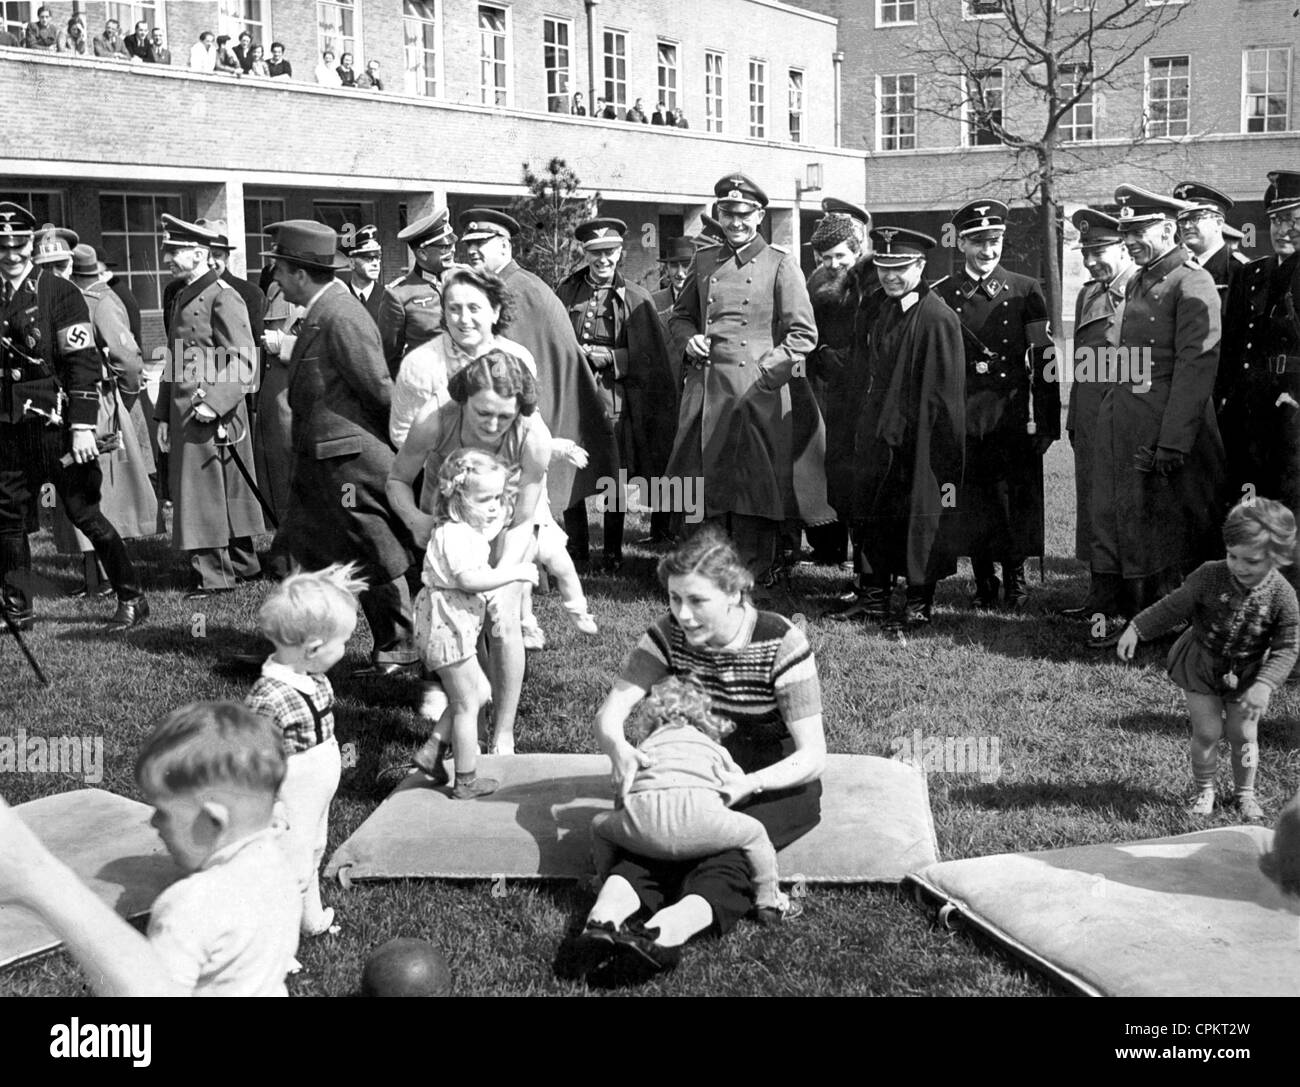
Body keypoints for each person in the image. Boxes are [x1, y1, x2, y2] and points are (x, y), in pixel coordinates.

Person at [578, 527, 826, 975]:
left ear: (735, 593)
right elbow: (609, 714)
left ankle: (657, 926)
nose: (683, 615)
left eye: (697, 601)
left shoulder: (780, 640)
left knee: (724, 842)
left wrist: (748, 783)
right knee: (664, 822)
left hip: (768, 767)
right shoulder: (666, 634)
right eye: (674, 599)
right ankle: (622, 927)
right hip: (695, 757)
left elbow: (812, 755)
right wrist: (618, 749)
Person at [0, 702, 300, 995]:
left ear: (213, 820)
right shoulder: (282, 865)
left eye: (163, 812)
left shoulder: (192, 904)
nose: (153, 822)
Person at [266, 220, 418, 677]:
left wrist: (397, 450)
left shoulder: (340, 313)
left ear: (299, 273)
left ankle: (400, 648)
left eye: (279, 270)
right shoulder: (322, 309)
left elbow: (379, 389)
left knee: (372, 550)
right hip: (319, 461)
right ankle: (293, 645)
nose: (274, 279)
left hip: (346, 462)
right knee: (298, 554)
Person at [666, 173, 830, 585]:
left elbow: (803, 333)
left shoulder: (780, 264)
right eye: (727, 213)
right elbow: (681, 316)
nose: (735, 222)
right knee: (704, 481)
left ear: (759, 215)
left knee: (753, 485)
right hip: (707, 391)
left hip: (757, 394)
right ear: (718, 215)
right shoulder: (704, 261)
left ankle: (756, 568)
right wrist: (689, 340)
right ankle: (708, 567)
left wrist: (765, 370)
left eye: (743, 214)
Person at [388, 352, 552, 754]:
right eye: (483, 413)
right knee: (465, 619)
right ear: (463, 400)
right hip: (448, 519)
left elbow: (523, 519)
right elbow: (396, 478)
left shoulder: (533, 438)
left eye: (505, 416)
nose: (494, 425)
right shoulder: (435, 418)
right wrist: (414, 519)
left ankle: (504, 735)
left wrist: (508, 573)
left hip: (506, 523)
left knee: (504, 618)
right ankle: (471, 727)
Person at [1089, 184, 1225, 646]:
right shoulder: (1140, 279)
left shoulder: (1193, 282)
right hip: (1125, 419)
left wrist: (1173, 441)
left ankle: (1160, 620)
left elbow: (1196, 368)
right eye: (1126, 230)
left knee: (1160, 526)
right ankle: (1124, 611)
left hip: (1165, 425)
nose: (1129, 240)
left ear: (1170, 230)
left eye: (1140, 230)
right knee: (1123, 516)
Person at [0, 210, 148, 632]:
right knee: (8, 519)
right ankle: (17, 607)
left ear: (30, 245)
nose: (10, 254)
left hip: (57, 425)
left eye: (18, 246)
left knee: (85, 513)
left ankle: (131, 597)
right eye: (2, 246)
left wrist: (83, 425)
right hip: (9, 427)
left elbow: (82, 364)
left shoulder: (60, 293)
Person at [1117, 499, 1299, 821]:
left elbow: (1287, 645)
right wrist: (1137, 627)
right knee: (1207, 731)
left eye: (1252, 560)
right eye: (1232, 556)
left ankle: (1245, 794)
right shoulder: (1208, 576)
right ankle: (1205, 790)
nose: (1239, 566)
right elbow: (1173, 607)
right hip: (1201, 662)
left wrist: (1265, 685)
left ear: (1277, 558)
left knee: (1244, 735)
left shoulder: (1282, 595)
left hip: (1249, 673)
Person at [933, 199, 1056, 611]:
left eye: (996, 241)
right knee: (973, 498)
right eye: (980, 243)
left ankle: (1016, 580)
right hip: (964, 415)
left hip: (1011, 414)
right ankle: (984, 581)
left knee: (1012, 499)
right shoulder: (944, 294)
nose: (989, 251)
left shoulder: (1026, 290)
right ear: (963, 244)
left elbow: (1045, 359)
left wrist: (1049, 421)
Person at [840, 227, 965, 630]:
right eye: (883, 267)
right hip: (878, 435)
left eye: (900, 268)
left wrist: (938, 449)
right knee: (873, 514)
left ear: (921, 266)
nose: (890, 276)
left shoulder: (938, 318)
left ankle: (917, 601)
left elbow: (946, 397)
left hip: (920, 440)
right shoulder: (879, 308)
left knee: (919, 519)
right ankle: (873, 596)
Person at [589, 675, 792, 920]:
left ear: (652, 719)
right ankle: (768, 900)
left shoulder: (644, 748)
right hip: (701, 821)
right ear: (704, 718)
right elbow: (734, 783)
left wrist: (624, 814)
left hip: (644, 827)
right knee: (755, 833)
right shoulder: (714, 747)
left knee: (599, 826)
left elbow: (623, 790)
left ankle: (602, 879)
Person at [459, 208, 619, 517]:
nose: (472, 251)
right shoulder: (503, 285)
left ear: (504, 246)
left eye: (482, 243)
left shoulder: (515, 290)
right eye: (469, 244)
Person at [409, 448, 540, 796]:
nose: (494, 506)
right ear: (458, 499)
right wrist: (515, 572)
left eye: (498, 497)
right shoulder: (457, 536)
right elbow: (468, 580)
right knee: (469, 704)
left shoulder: (462, 528)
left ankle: (434, 748)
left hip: (449, 625)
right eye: (485, 499)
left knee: (479, 692)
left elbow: (497, 525)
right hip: (446, 627)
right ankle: (465, 779)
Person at [246, 563, 364, 936]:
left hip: (318, 783)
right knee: (288, 864)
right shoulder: (271, 696)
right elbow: (257, 755)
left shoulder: (312, 679)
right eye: (342, 642)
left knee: (313, 848)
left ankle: (310, 918)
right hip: (292, 787)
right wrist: (271, 801)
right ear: (313, 648)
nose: (345, 649)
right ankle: (274, 946)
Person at [555, 217, 676, 570]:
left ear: (620, 252)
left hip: (615, 400)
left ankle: (611, 552)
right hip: (575, 397)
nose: (603, 260)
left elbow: (650, 355)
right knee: (570, 470)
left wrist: (610, 357)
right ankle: (577, 549)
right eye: (595, 253)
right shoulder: (567, 291)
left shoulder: (636, 297)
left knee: (613, 475)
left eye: (609, 252)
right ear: (585, 253)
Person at [155, 215, 263, 597]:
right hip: (187, 412)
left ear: (199, 254)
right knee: (208, 491)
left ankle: (216, 578)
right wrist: (162, 414)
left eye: (175, 250)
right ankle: (244, 566)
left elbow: (244, 359)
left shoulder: (223, 296)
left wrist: (215, 405)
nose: (167, 256)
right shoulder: (182, 293)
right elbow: (175, 356)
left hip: (210, 414)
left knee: (208, 494)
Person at [51, 245, 159, 597]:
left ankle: (109, 578)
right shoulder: (69, 302)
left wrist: (121, 402)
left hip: (95, 405)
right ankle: (93, 577)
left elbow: (128, 361)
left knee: (102, 492)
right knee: (78, 487)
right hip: (67, 406)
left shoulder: (100, 303)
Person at [1216, 170, 1300, 594]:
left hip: (1291, 412)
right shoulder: (1255, 273)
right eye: (1277, 219)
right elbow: (1233, 343)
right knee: (1248, 496)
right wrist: (1227, 396)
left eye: (1294, 218)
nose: (1283, 229)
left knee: (1290, 502)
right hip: (1249, 406)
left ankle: (1290, 598)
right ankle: (1250, 592)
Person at [1059, 209, 1137, 621]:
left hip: (1125, 418)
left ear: (1124, 246)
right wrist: (1073, 416)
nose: (1090, 261)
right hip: (1089, 418)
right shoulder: (1088, 293)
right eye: (1086, 252)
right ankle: (1099, 595)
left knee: (1123, 506)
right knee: (1092, 505)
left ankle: (1131, 599)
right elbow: (1083, 360)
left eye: (1099, 251)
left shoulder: (1142, 291)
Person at [806, 197, 875, 574]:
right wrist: (821, 353)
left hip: (863, 390)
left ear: (858, 247)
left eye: (839, 256)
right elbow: (806, 330)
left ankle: (863, 559)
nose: (831, 265)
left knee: (858, 472)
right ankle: (828, 545)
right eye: (824, 257)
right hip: (825, 386)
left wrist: (852, 359)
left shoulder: (875, 280)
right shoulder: (817, 280)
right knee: (827, 466)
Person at [378, 208, 455, 378]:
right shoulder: (399, 294)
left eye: (452, 244)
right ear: (422, 253)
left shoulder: (466, 280)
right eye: (444, 247)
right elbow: (389, 355)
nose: (452, 250)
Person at [1172, 181, 1248, 303]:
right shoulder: (1180, 269)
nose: (1186, 226)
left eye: (1195, 219)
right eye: (1182, 220)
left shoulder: (1240, 269)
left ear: (1218, 223)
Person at [652, 236, 694, 336]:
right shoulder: (653, 302)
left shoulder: (704, 300)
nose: (679, 273)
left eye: (686, 265)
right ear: (666, 269)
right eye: (674, 265)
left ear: (695, 268)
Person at [343, 224, 384, 325]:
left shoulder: (389, 297)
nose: (375, 263)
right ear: (352, 263)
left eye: (377, 258)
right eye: (368, 258)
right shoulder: (342, 296)